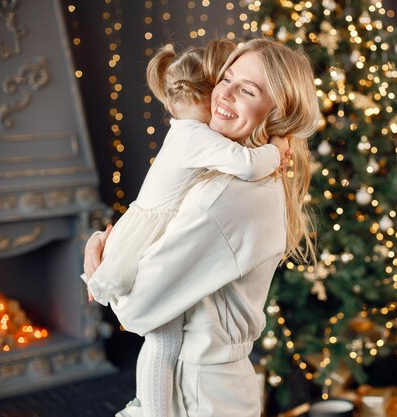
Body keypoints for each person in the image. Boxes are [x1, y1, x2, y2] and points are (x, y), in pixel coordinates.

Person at [83, 37, 318, 417]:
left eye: (247, 90)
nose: (224, 94)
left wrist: (99, 262)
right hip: (208, 387)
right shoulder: (238, 176)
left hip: (198, 396)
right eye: (226, 78)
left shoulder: (230, 196)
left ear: (279, 113)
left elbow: (138, 310)